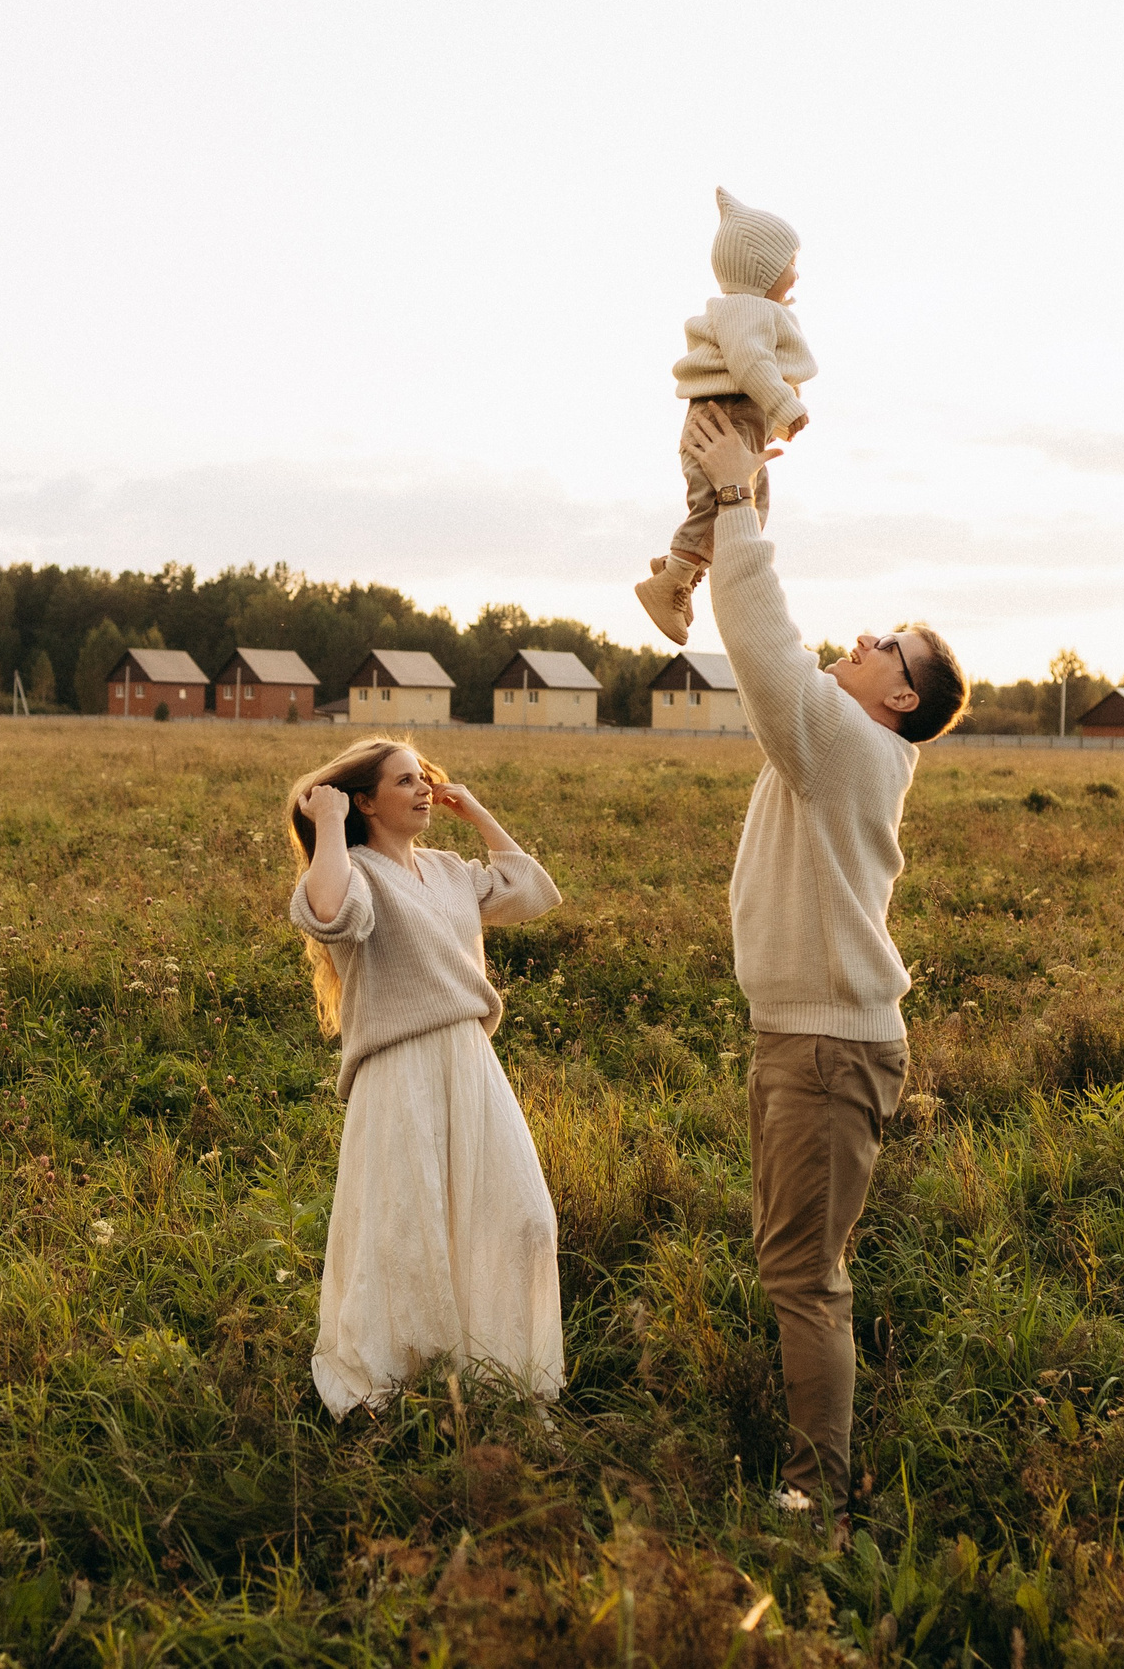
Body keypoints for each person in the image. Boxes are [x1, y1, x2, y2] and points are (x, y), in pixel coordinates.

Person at [683, 400, 969, 1512]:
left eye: (878, 649)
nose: (854, 645)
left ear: (899, 696)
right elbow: (771, 625)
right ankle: (812, 1477)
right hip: (801, 1041)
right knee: (794, 1267)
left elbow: (757, 636)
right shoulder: (839, 736)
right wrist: (746, 488)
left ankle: (813, 1505)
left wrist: (736, 503)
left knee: (805, 1281)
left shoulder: (847, 742)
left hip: (823, 1050)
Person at [286, 737, 566, 1415]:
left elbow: (528, 890)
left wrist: (478, 814)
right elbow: (328, 913)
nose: (422, 789)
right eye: (403, 780)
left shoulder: (446, 869)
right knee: (405, 1230)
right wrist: (326, 825)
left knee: (525, 1215)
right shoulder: (351, 869)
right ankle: (405, 1387)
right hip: (398, 1069)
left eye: (423, 778)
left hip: (470, 1061)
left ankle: (500, 1368)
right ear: (366, 801)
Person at [635, 188, 818, 646]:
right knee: (722, 506)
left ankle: (678, 571)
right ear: (762, 269)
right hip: (726, 419)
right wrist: (784, 406)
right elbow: (750, 362)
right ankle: (672, 580)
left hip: (733, 416)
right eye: (791, 261)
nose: (797, 272)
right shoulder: (746, 310)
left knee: (749, 514)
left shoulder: (756, 310)